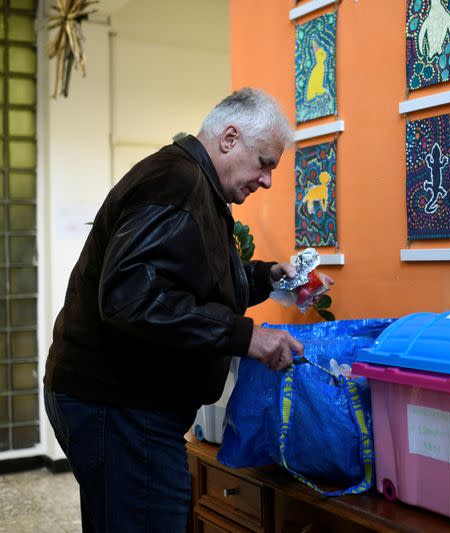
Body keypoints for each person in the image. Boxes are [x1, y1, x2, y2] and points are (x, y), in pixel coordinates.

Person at [43, 88, 305, 532]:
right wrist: (247, 337)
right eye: (265, 162)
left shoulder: (190, 182)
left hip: (122, 404)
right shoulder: (176, 184)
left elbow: (187, 279)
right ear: (229, 139)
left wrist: (265, 278)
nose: (267, 181)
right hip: (121, 406)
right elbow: (132, 299)